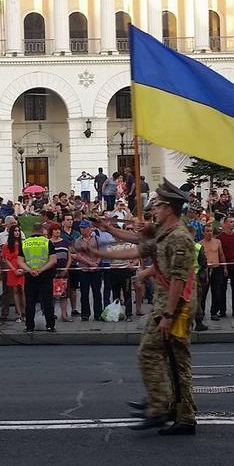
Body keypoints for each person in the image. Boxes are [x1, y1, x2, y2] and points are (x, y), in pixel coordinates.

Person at [87, 180, 198, 435]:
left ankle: (164, 408)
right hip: (166, 304)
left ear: (169, 208)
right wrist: (101, 251)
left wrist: (168, 315)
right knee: (171, 360)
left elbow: (179, 279)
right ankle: (175, 410)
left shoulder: (179, 237)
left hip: (176, 306)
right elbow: (137, 248)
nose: (154, 210)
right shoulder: (165, 232)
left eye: (158, 205)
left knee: (159, 355)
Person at [19, 221, 58, 333]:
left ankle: (29, 326)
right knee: (47, 301)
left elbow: (20, 261)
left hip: (30, 276)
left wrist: (30, 270)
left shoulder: (25, 243)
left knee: (30, 302)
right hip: (45, 275)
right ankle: (50, 325)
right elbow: (53, 260)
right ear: (42, 230)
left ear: (32, 231)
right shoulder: (47, 242)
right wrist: (40, 270)